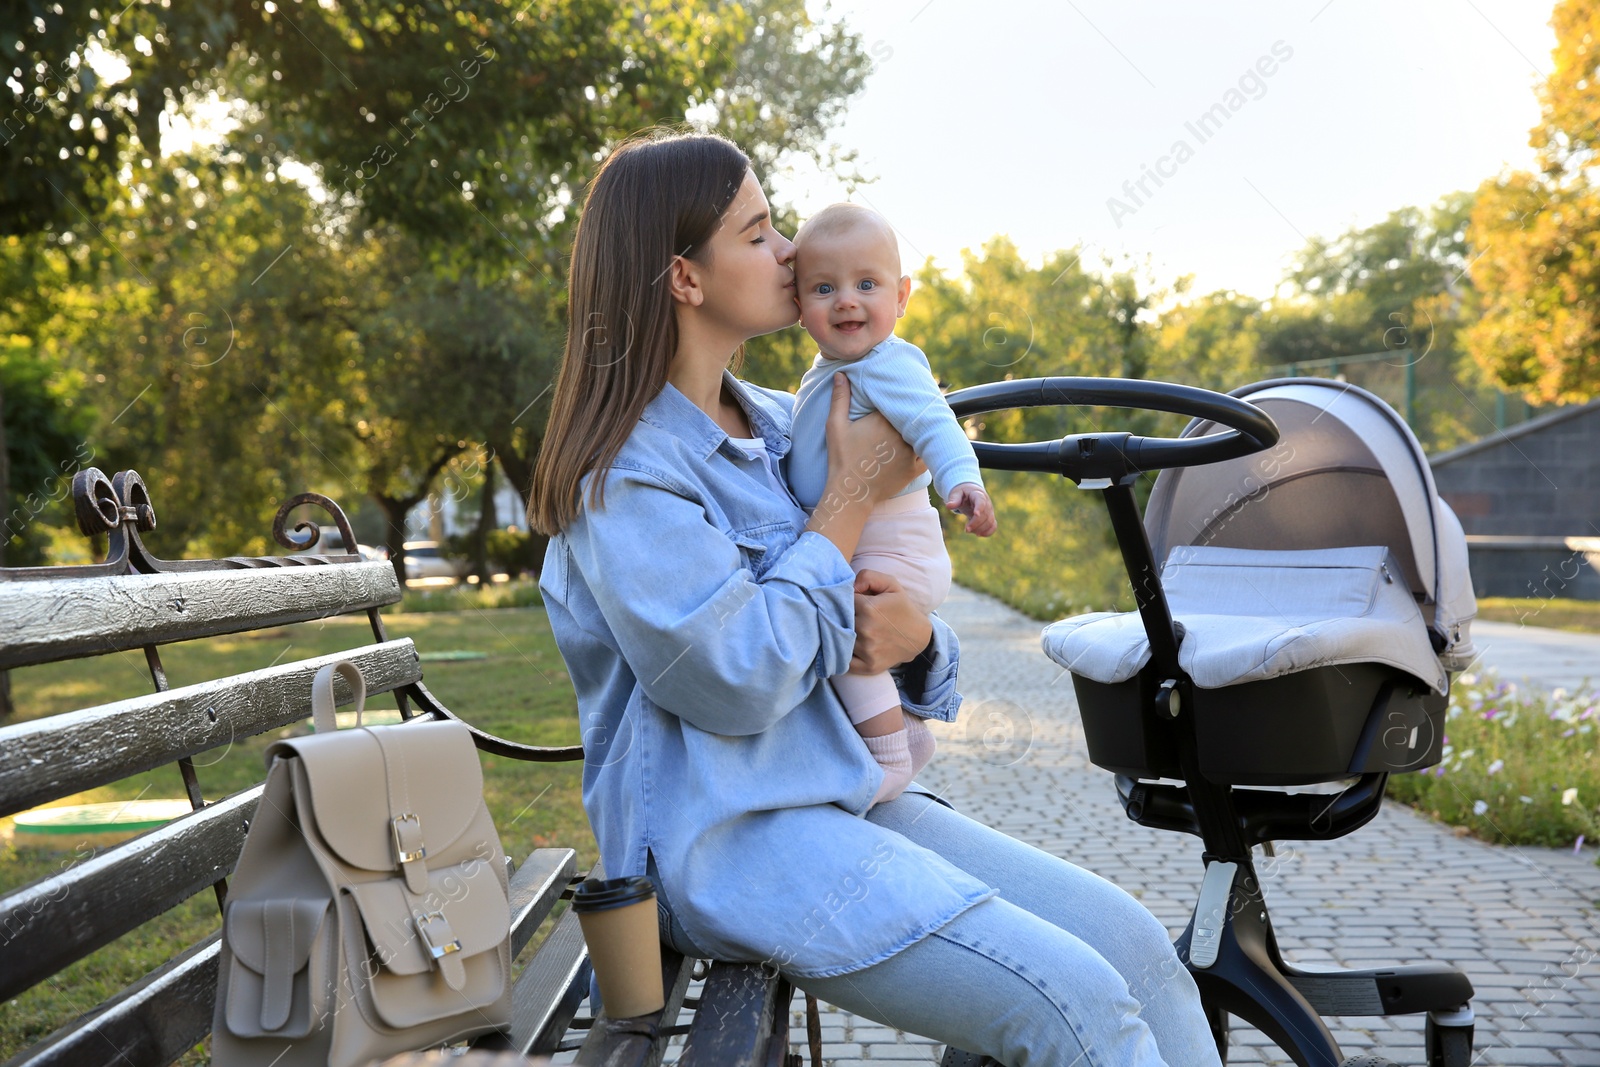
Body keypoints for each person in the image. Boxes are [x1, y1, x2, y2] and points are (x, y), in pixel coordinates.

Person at [528, 127, 1224, 1067]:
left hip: (841, 798)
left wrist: (922, 641)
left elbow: (903, 616)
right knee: (1079, 1008)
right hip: (729, 842)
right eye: (758, 230)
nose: (791, 252)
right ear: (685, 279)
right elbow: (731, 680)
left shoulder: (791, 418)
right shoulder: (627, 479)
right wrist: (848, 499)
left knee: (1137, 948)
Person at [783, 201, 997, 810]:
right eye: (825, 288)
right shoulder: (825, 372)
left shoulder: (889, 362)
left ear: (901, 297)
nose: (847, 301)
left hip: (893, 545)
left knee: (841, 632)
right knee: (838, 629)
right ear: (799, 305)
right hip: (873, 541)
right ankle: (903, 735)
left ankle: (889, 759)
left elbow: (936, 422)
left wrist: (963, 480)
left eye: (866, 284)